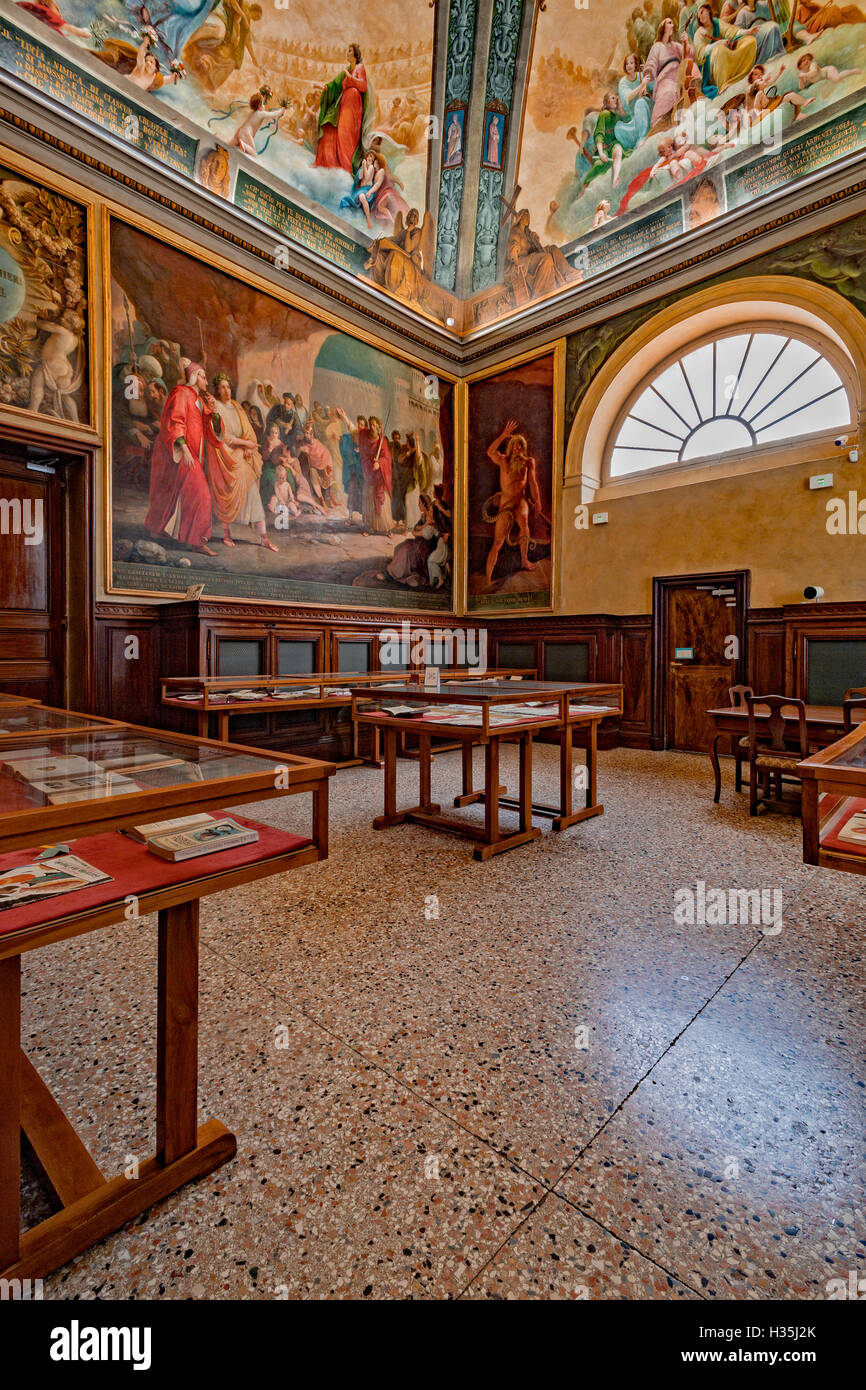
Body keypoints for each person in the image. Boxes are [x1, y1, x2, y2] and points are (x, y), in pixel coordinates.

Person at [144, 361, 221, 556]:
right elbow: (175, 421)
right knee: (201, 494)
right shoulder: (181, 392)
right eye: (203, 377)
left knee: (177, 493)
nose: (206, 381)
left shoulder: (199, 399)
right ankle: (198, 541)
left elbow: (210, 431)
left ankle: (162, 530)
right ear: (194, 377)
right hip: (179, 451)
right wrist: (184, 449)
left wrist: (215, 412)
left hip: (193, 454)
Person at [209, 373, 278, 551]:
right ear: (217, 390)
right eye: (222, 387)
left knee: (253, 492)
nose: (227, 390)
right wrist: (244, 444)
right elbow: (223, 437)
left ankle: (264, 538)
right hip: (225, 457)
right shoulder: (216, 408)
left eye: (228, 387)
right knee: (226, 495)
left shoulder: (237, 406)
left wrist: (248, 445)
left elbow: (247, 431)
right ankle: (226, 534)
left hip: (241, 455)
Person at [483, 419, 542, 585]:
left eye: (520, 446)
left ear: (523, 448)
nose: (518, 449)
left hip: (521, 502)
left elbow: (532, 483)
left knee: (524, 525)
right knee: (499, 541)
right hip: (506, 505)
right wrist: (503, 435)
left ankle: (524, 559)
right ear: (511, 447)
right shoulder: (503, 460)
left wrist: (537, 501)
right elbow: (490, 451)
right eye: (515, 445)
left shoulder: (529, 462)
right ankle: (488, 577)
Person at [314, 43, 369, 174]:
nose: (347, 53)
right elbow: (335, 85)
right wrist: (323, 87)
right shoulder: (347, 69)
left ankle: (346, 167)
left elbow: (363, 86)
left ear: (356, 54)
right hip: (344, 105)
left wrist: (351, 79)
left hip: (353, 105)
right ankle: (330, 164)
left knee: (346, 136)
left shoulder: (360, 68)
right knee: (332, 130)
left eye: (350, 51)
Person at [643, 16, 700, 131]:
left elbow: (689, 56)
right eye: (669, 23)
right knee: (669, 92)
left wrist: (686, 42)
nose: (672, 25)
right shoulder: (657, 46)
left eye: (673, 23)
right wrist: (646, 80)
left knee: (692, 70)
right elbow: (651, 64)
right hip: (666, 78)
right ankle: (659, 122)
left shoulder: (675, 45)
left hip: (679, 77)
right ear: (663, 27)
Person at [693, 3, 759, 100]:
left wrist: (748, 31)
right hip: (710, 66)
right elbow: (701, 53)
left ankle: (741, 75)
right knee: (720, 50)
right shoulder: (699, 34)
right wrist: (718, 43)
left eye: (702, 12)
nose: (701, 16)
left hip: (723, 52)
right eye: (699, 16)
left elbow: (731, 32)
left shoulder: (717, 23)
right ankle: (723, 86)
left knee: (750, 41)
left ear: (708, 11)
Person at [385, 494, 438, 587]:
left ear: (425, 504)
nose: (418, 505)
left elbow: (417, 532)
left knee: (405, 550)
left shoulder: (431, 519)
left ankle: (393, 574)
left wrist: (420, 528)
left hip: (425, 547)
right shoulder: (423, 516)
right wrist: (422, 526)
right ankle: (396, 570)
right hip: (419, 542)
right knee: (400, 546)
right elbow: (415, 528)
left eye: (419, 503)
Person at [359, 417, 394, 535]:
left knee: (382, 503)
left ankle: (387, 528)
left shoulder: (382, 441)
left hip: (380, 477)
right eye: (371, 425)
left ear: (378, 427)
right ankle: (370, 527)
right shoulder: (366, 440)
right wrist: (371, 464)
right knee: (369, 500)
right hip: (370, 474)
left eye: (374, 425)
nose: (372, 427)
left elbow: (387, 459)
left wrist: (379, 464)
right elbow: (364, 456)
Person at [229, 91, 286, 158]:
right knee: (254, 153)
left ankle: (220, 137)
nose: (264, 105)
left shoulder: (252, 112)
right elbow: (274, 114)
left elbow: (258, 102)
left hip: (240, 131)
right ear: (259, 106)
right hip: (247, 134)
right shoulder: (261, 114)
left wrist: (264, 97)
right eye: (263, 103)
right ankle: (244, 145)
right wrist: (283, 109)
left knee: (231, 144)